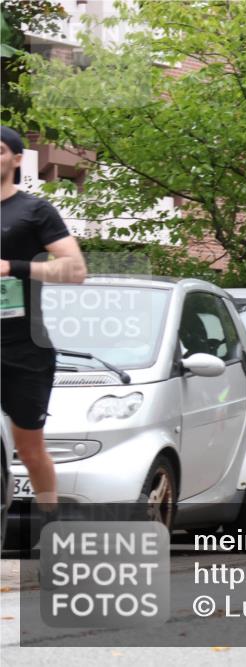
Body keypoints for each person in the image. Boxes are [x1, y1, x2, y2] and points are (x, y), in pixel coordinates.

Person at [0, 126, 87, 526]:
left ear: (17, 159)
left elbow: (75, 269)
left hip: (23, 348)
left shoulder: (34, 211)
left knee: (30, 449)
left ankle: (50, 521)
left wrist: (14, 268)